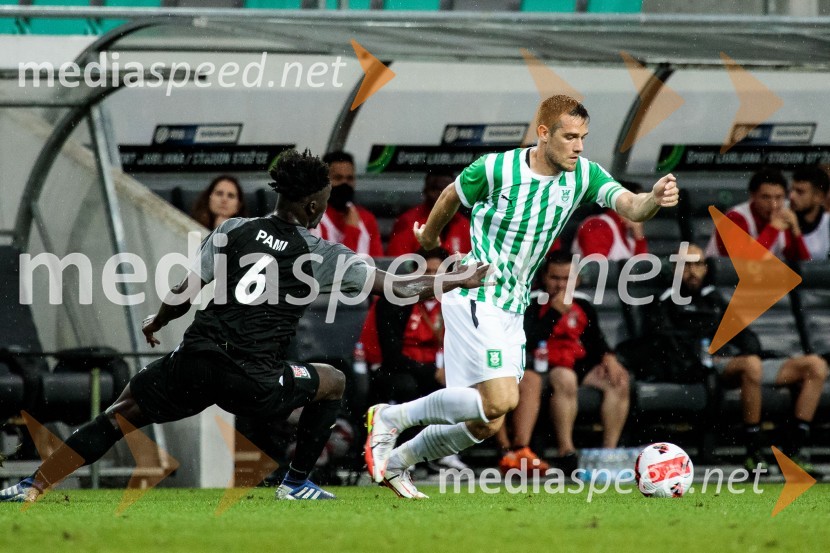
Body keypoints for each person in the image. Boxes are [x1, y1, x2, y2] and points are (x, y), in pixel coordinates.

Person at [0, 149, 488, 503]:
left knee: (120, 412)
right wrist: (456, 278)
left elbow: (186, 290)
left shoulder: (232, 230)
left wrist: (158, 320)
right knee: (333, 381)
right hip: (253, 379)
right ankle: (297, 483)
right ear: (316, 207)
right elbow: (394, 287)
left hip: (195, 361)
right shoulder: (318, 252)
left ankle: (31, 485)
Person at [364, 94, 679, 499]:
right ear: (543, 134)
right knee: (502, 398)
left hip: (514, 306)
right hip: (477, 290)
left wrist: (653, 198)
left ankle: (397, 463)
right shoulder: (497, 168)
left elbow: (632, 208)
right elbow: (450, 197)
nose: (579, 146)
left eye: (583, 137)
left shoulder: (584, 175)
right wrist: (429, 237)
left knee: (486, 422)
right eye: (569, 137)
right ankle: (390, 417)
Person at [644, 243, 828, 474]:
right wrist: (707, 357)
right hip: (710, 368)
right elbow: (666, 343)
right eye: (686, 264)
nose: (693, 270)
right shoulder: (665, 301)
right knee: (751, 365)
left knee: (815, 366)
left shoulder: (714, 299)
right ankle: (753, 452)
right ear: (675, 268)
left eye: (698, 263)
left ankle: (794, 451)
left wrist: (746, 350)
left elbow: (746, 335)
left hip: (742, 362)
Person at [497, 251, 630, 476]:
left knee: (619, 381)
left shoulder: (583, 304)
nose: (560, 285)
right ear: (544, 278)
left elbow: (596, 341)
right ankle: (566, 450)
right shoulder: (532, 302)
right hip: (543, 365)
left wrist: (608, 357)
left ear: (577, 280)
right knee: (564, 377)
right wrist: (554, 314)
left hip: (578, 363)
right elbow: (526, 341)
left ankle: (608, 453)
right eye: (554, 278)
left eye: (566, 279)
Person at [706, 168, 809, 262]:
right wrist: (772, 229)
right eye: (766, 197)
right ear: (752, 196)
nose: (774, 205)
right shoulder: (734, 218)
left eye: (778, 197)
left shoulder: (784, 216)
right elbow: (743, 266)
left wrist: (796, 231)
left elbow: (805, 265)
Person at [313, 151, 383, 257]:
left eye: (349, 178)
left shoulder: (367, 219)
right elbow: (335, 269)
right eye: (338, 178)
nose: (344, 184)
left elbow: (379, 264)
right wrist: (352, 231)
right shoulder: (315, 221)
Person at [386, 169, 472, 257]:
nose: (442, 195)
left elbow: (474, 265)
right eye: (436, 189)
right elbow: (397, 265)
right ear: (426, 191)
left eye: (447, 190)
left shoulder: (464, 225)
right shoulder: (407, 222)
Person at [571, 180, 648, 259]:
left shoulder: (627, 229)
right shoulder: (598, 225)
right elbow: (596, 266)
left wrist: (638, 236)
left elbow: (641, 267)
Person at [789, 166, 830, 260]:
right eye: (792, 190)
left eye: (800, 192)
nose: (792, 196)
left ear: (819, 196)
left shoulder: (827, 223)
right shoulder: (779, 218)